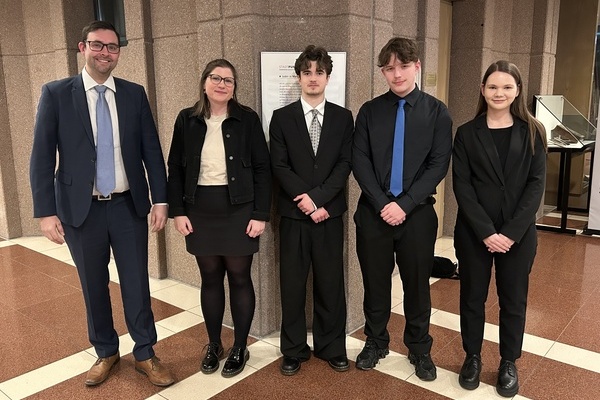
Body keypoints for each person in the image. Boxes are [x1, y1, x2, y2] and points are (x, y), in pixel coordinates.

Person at [29, 21, 174, 387]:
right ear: (83, 47)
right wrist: (45, 212)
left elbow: (151, 150)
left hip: (128, 207)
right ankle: (106, 350)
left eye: (112, 47)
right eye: (97, 45)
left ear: (118, 52)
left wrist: (161, 199)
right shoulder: (56, 94)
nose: (105, 52)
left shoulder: (133, 94)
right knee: (93, 284)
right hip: (81, 210)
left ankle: (145, 352)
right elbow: (42, 156)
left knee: (136, 283)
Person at [352, 37, 452, 381]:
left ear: (417, 67)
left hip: (418, 214)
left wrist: (405, 204)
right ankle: (376, 341)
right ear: (383, 72)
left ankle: (420, 348)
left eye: (404, 66)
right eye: (389, 68)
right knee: (375, 284)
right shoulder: (369, 111)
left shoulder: (437, 112)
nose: (397, 74)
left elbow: (438, 165)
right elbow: (360, 161)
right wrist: (384, 204)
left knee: (417, 286)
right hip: (374, 213)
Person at [167, 59, 271, 378]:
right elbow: (176, 168)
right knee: (210, 277)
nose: (222, 84)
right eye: (216, 78)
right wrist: (177, 211)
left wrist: (260, 214)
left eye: (228, 80)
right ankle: (214, 344)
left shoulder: (247, 119)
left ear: (234, 87)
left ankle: (239, 346)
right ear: (204, 82)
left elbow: (262, 169)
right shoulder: (186, 119)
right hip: (199, 208)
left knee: (239, 276)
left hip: (239, 208)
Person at [452, 60, 546, 397]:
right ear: (482, 90)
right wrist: (486, 232)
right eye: (492, 86)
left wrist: (510, 233)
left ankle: (508, 361)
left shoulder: (533, 131)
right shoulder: (466, 133)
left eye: (507, 87)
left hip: (517, 235)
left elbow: (536, 185)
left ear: (517, 90)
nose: (499, 93)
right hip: (474, 232)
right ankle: (472, 356)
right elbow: (462, 186)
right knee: (472, 298)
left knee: (513, 300)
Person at [270, 45, 353, 375]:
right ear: (299, 77)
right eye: (307, 72)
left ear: (328, 77)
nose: (313, 78)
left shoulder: (343, 118)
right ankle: (293, 349)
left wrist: (319, 200)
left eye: (319, 72)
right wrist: (306, 201)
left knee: (330, 283)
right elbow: (279, 165)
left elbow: (344, 164)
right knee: (292, 285)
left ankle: (332, 346)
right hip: (294, 216)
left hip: (329, 215)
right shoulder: (281, 118)